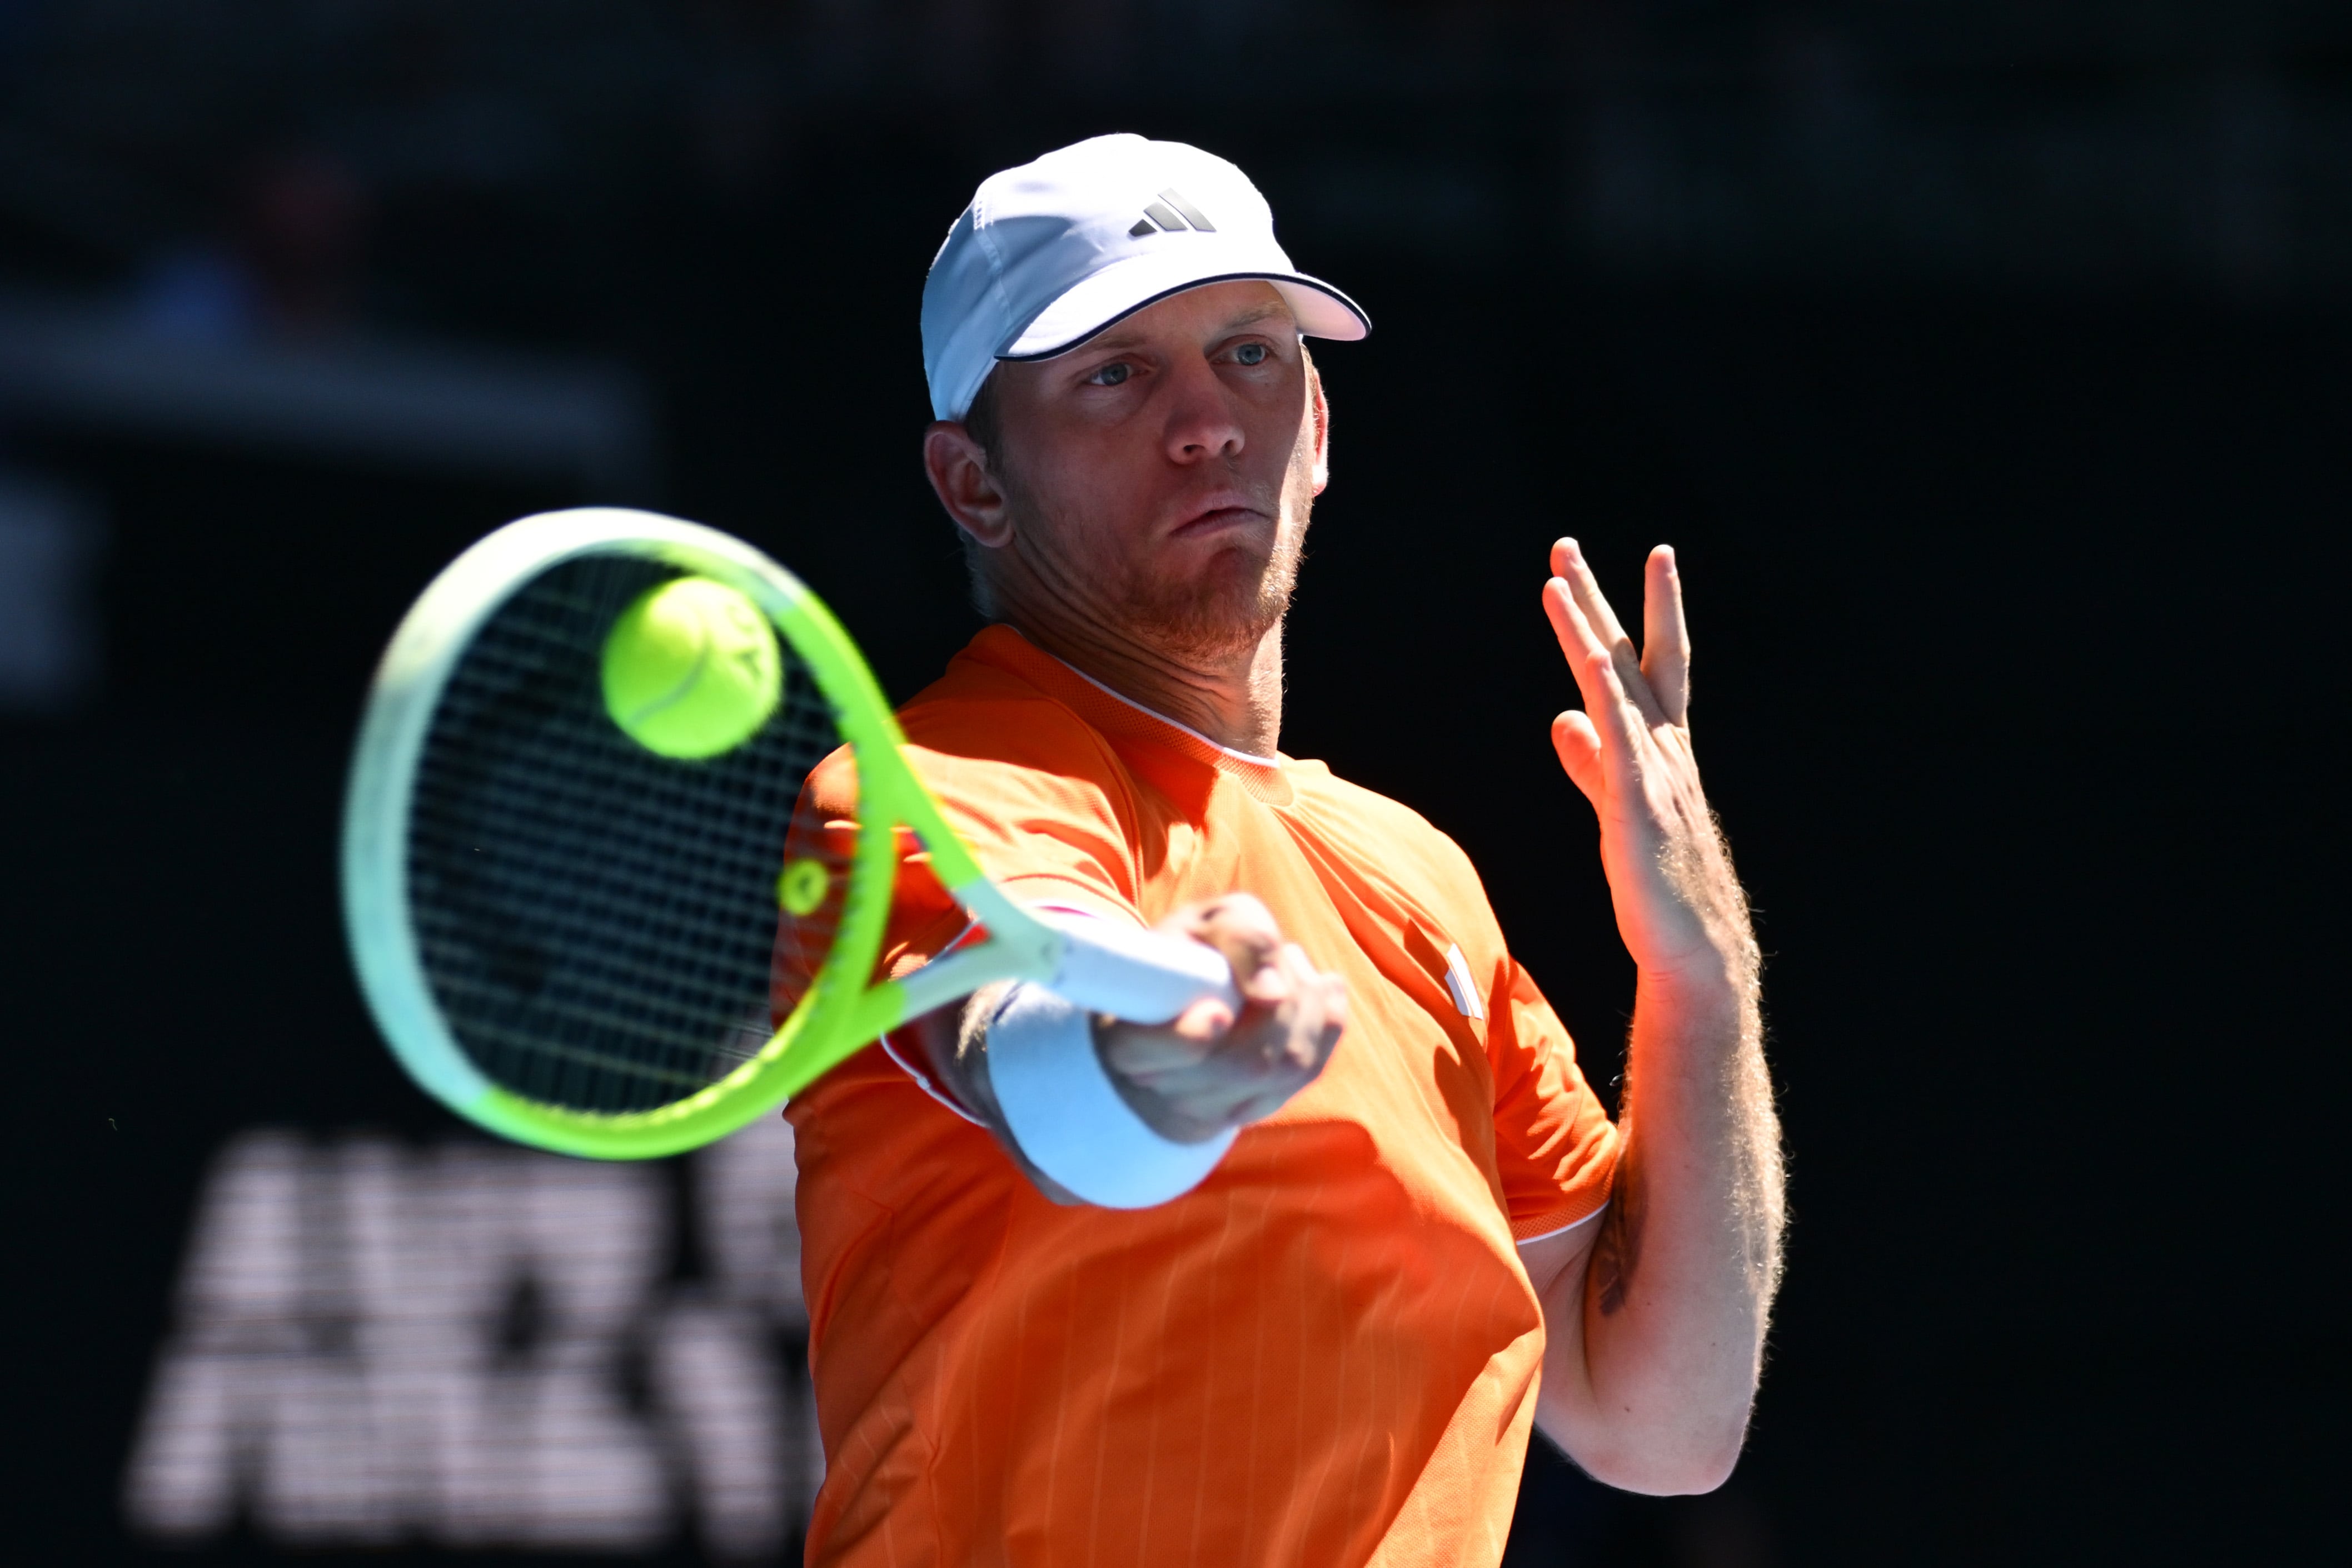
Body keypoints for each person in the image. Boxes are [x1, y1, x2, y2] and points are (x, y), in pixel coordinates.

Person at [779, 133, 1784, 1567]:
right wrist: (1163, 1059)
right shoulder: (936, 788)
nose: (1206, 422)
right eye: (1113, 376)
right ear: (973, 484)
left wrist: (1705, 970)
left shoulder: (1421, 879)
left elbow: (1662, 1421)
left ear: (1319, 425)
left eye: (1248, 354)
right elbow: (1022, 1047)